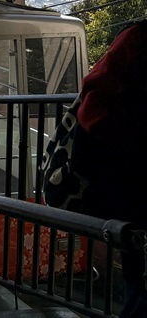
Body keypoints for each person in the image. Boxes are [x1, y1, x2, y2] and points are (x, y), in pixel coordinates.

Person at [73, 22, 147, 317]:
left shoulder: (136, 40)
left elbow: (95, 103)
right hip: (133, 183)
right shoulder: (138, 41)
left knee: (138, 277)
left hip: (129, 187)